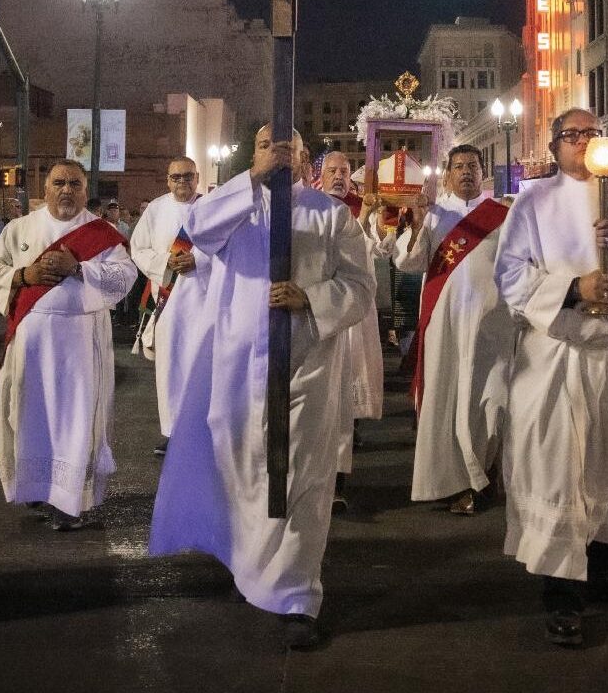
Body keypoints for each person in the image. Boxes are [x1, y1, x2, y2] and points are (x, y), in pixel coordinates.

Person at [148, 126, 374, 651]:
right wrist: (249, 180)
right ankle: (250, 570)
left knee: (301, 475)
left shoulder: (331, 214)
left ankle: (297, 594)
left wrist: (311, 297)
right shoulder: (229, 207)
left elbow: (361, 289)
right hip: (235, 363)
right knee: (241, 468)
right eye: (266, 145)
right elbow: (196, 231)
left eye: (289, 147)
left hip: (305, 363)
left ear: (303, 159)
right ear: (253, 154)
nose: (278, 154)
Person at [494, 108, 608, 648]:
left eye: (592, 134)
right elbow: (510, 272)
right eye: (571, 135)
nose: (583, 143)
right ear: (554, 146)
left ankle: (604, 565)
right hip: (562, 352)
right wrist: (574, 287)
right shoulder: (534, 200)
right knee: (562, 470)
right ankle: (561, 594)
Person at [0, 159, 136, 530]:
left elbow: (125, 276)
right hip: (31, 341)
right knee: (29, 413)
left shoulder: (101, 233)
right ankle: (34, 486)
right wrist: (23, 275)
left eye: (75, 184)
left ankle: (69, 501)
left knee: (75, 418)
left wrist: (78, 268)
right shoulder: (21, 228)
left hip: (81, 341)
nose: (67, 190)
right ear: (44, 188)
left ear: (85, 190)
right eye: (59, 183)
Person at [393, 144, 513, 516]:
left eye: (473, 166)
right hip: (444, 324)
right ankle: (460, 482)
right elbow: (409, 262)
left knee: (494, 401)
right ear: (447, 174)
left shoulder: (503, 214)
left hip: (494, 324)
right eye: (458, 166)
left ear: (482, 171)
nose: (466, 172)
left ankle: (489, 469)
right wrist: (415, 223)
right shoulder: (434, 215)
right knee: (448, 402)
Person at [318, 149, 383, 514]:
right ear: (320, 174)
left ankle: (338, 482)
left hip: (353, 313)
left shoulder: (362, 209)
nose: (340, 176)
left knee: (344, 396)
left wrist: (370, 220)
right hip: (315, 313)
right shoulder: (309, 208)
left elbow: (380, 251)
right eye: (332, 170)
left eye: (345, 170)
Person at [130, 156, 204, 453]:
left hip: (201, 298)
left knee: (200, 368)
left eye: (188, 176)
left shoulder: (209, 207)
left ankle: (200, 430)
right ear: (167, 179)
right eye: (176, 177)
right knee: (170, 368)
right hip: (167, 300)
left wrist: (197, 260)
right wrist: (166, 262)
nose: (182, 182)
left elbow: (225, 249)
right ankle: (172, 431)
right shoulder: (156, 210)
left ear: (197, 178)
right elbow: (138, 248)